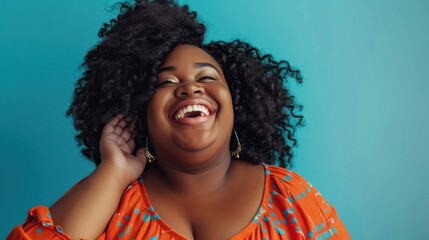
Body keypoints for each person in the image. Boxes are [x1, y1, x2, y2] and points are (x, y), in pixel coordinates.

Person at [7, 0, 350, 239]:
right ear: (139, 109)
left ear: (238, 102)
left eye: (207, 77)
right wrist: (112, 174)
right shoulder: (113, 206)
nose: (190, 88)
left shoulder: (290, 198)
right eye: (166, 83)